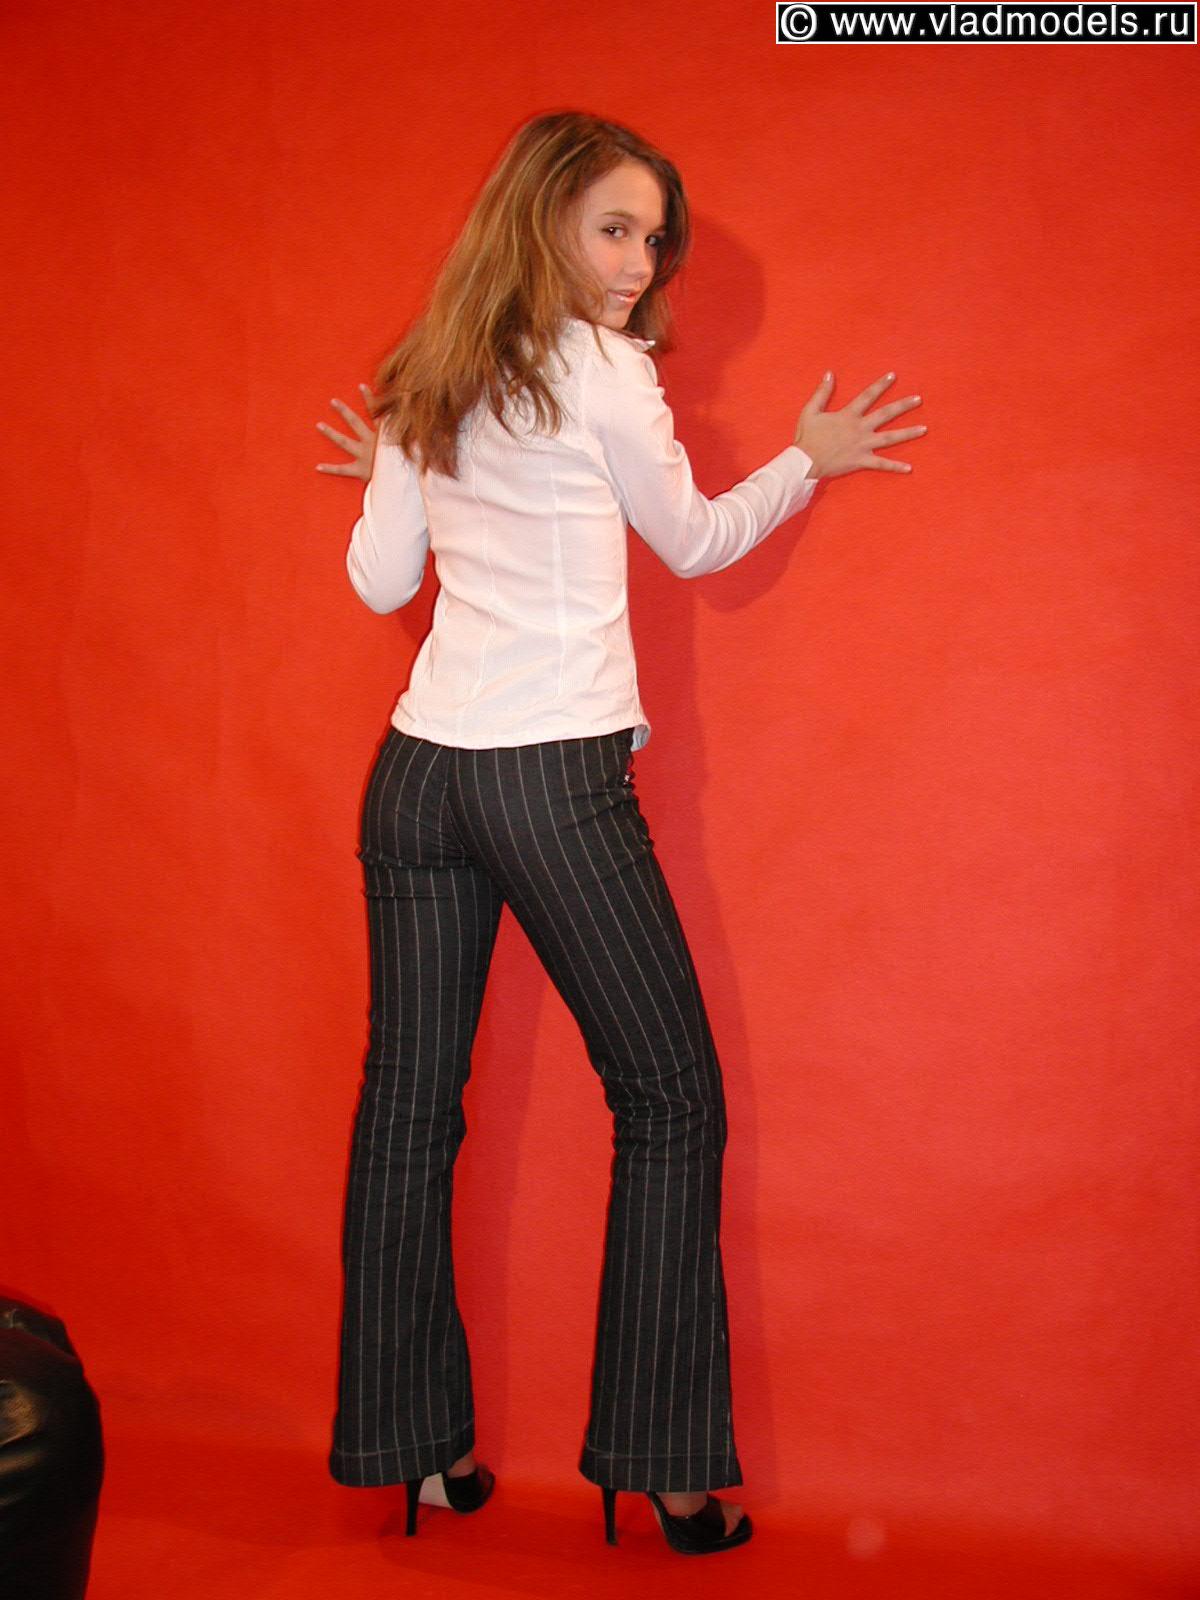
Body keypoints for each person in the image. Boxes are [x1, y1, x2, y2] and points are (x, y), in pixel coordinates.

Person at [315, 109, 926, 1557]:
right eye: (613, 228)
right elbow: (697, 540)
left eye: (654, 239)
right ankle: (665, 1472)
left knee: (409, 1111)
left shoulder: (427, 369)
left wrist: (399, 461)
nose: (637, 263)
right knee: (670, 1100)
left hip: (417, 777)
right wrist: (806, 459)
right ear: (539, 218)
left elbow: (381, 580)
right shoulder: (602, 372)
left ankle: (418, 1455)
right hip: (548, 778)